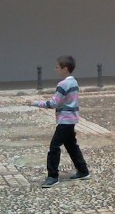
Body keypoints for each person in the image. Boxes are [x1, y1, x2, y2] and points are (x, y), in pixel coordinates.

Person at [30, 55, 90, 188]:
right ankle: (83, 170)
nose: (55, 69)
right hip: (71, 119)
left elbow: (53, 103)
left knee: (54, 147)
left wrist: (35, 103)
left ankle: (52, 176)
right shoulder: (74, 82)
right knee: (71, 146)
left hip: (65, 120)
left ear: (65, 68)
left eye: (57, 67)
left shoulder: (63, 84)